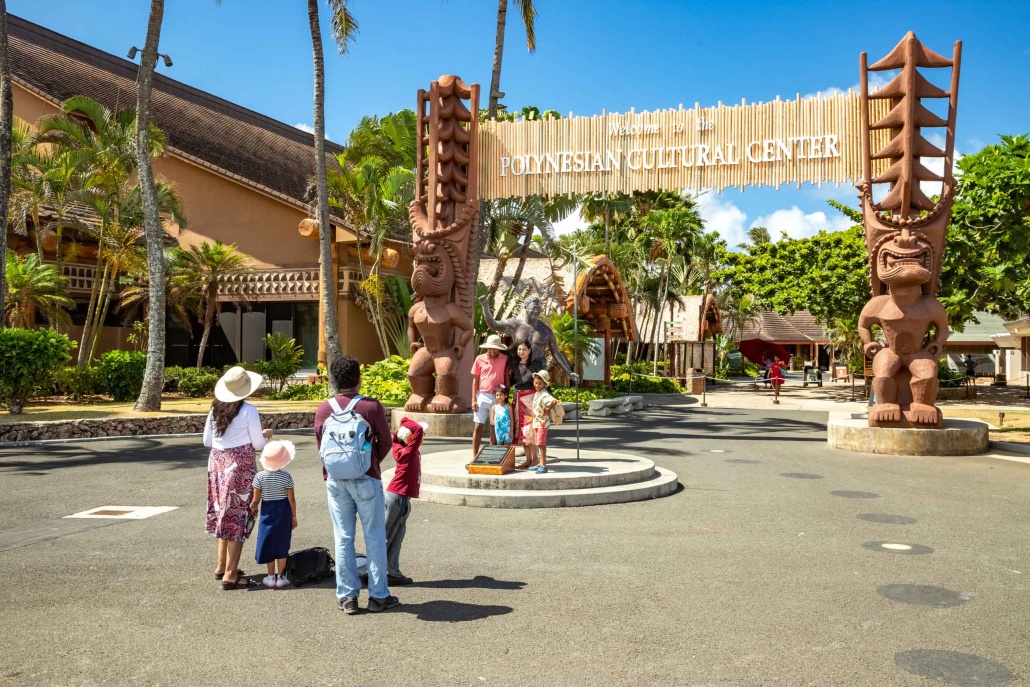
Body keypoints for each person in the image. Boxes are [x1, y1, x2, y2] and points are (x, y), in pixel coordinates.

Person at [315, 356, 397, 615]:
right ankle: (378, 595)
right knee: (374, 537)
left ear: (334, 380)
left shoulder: (324, 409)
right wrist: (369, 462)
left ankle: (347, 596)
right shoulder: (370, 407)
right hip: (366, 478)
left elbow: (321, 446)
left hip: (336, 481)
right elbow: (385, 442)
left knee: (343, 538)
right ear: (359, 378)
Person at [204, 365, 272, 591]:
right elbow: (259, 445)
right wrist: (266, 435)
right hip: (239, 466)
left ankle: (221, 565)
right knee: (238, 517)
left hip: (217, 463)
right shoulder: (248, 410)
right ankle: (231, 574)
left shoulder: (214, 408)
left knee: (224, 513)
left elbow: (207, 440)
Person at [385, 418, 426, 587]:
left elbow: (395, 438)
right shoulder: (408, 452)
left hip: (399, 497)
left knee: (396, 537)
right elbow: (417, 430)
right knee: (386, 538)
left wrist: (398, 433)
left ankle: (392, 572)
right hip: (398, 497)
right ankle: (373, 572)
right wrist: (405, 422)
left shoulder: (398, 446)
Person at [251, 440, 298, 589]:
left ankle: (270, 577)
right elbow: (291, 498)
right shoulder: (287, 477)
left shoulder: (259, 477)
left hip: (267, 510)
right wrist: (294, 515)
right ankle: (281, 576)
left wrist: (252, 508)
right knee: (282, 542)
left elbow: (256, 499)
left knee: (268, 541)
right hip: (283, 509)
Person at [470, 334, 509, 458]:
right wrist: (473, 400)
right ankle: (474, 456)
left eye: (495, 348)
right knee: (478, 426)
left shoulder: (505, 359)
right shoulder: (479, 359)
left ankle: (492, 455)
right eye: (490, 348)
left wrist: (507, 397)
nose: (492, 350)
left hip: (498, 397)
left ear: (499, 348)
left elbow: (507, 377)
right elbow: (475, 380)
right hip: (482, 395)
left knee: (495, 428)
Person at [510, 340, 545, 470]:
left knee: (530, 430)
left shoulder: (536, 364)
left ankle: (535, 459)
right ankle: (528, 459)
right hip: (518, 398)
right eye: (519, 349)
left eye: (524, 349)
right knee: (521, 431)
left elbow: (542, 382)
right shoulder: (514, 364)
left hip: (531, 399)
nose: (521, 352)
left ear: (529, 350)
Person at [529, 371, 561, 474]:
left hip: (542, 423)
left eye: (539, 383)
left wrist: (548, 409)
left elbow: (555, 401)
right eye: (535, 383)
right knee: (538, 443)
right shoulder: (537, 393)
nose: (536, 385)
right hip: (537, 422)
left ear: (544, 384)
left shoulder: (545, 394)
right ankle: (540, 463)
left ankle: (543, 465)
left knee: (541, 444)